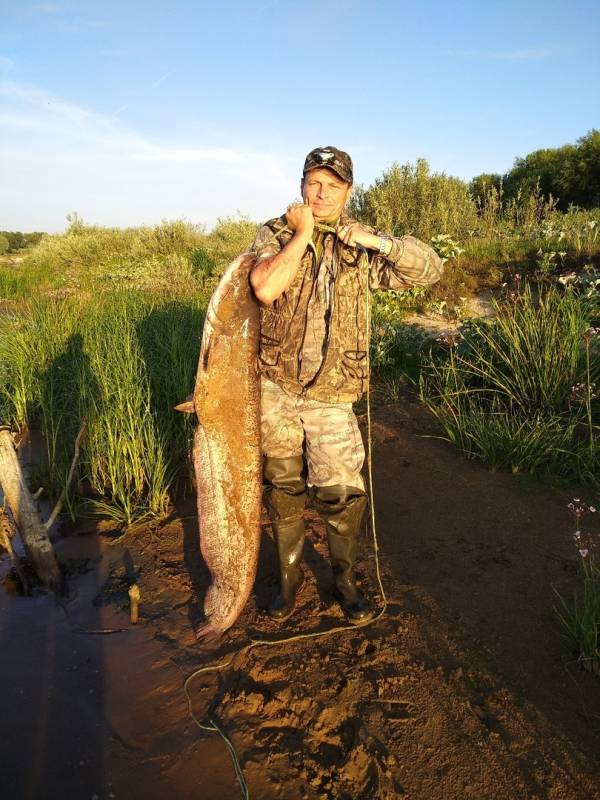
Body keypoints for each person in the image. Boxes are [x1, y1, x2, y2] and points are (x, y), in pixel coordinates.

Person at [249, 146, 443, 625]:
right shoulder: (274, 233)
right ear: (300, 185)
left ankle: (345, 581)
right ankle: (289, 581)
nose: (321, 192)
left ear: (347, 191)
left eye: (332, 186)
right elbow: (266, 288)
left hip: (334, 395)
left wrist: (381, 242)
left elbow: (431, 271)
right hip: (275, 387)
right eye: (313, 183)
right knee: (283, 485)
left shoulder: (360, 243)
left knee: (340, 492)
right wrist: (303, 235)